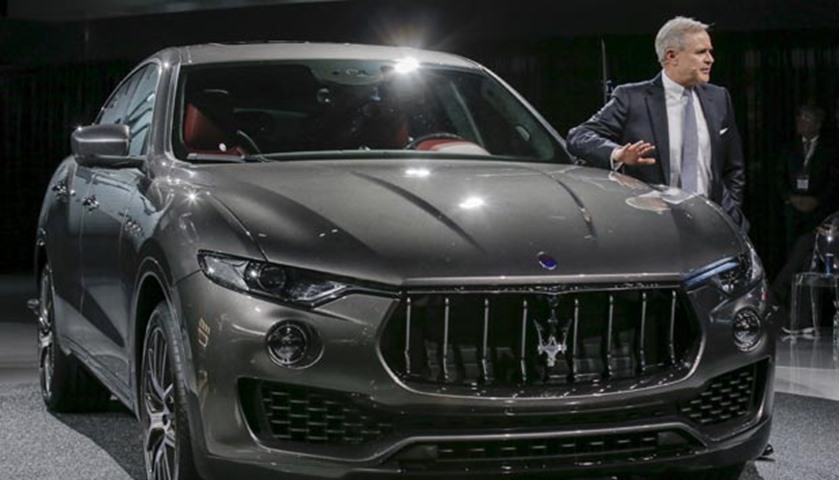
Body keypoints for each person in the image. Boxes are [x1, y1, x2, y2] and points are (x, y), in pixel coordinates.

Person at [566, 16, 747, 232]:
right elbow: (578, 136)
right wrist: (618, 154)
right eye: (701, 52)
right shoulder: (632, 98)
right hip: (655, 226)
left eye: (710, 51)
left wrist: (731, 209)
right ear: (672, 56)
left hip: (715, 223)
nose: (710, 59)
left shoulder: (719, 98)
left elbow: (733, 166)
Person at [776, 104, 839, 255]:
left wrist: (817, 200)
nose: (801, 122)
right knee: (793, 250)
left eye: (807, 119)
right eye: (800, 118)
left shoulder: (830, 150)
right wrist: (791, 198)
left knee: (816, 249)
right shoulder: (789, 147)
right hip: (793, 208)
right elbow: (780, 177)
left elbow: (834, 180)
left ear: (817, 125)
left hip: (819, 210)